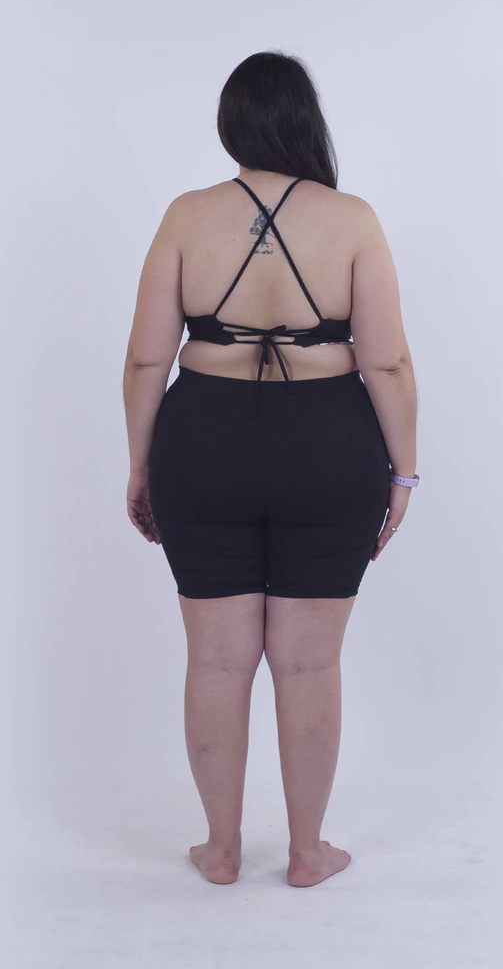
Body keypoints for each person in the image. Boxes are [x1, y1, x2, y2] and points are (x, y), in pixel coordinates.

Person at [122, 51, 418, 888]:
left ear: (232, 123)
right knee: (310, 664)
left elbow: (146, 361)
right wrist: (403, 474)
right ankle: (307, 853)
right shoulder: (352, 220)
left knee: (216, 661)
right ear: (303, 122)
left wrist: (141, 466)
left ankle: (219, 849)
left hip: (202, 443)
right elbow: (387, 363)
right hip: (328, 447)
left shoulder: (186, 216)